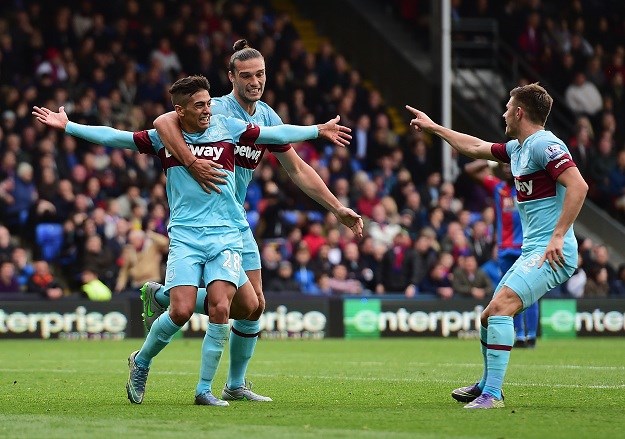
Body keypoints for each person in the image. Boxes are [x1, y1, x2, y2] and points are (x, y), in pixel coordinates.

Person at [33, 75, 357, 406]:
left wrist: (317, 130)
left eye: (208, 104)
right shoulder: (164, 138)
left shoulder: (228, 127)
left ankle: (206, 390)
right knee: (182, 310)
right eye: (200, 105)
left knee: (234, 306)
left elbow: (277, 134)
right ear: (181, 111)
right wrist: (69, 125)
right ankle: (141, 360)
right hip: (186, 236)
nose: (208, 110)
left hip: (227, 232)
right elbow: (116, 137)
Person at [146, 40, 364, 401]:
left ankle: (233, 384)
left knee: (254, 305)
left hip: (236, 220)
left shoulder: (266, 116)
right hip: (206, 220)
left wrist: (336, 208)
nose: (255, 81)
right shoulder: (213, 110)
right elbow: (165, 121)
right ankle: (173, 303)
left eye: (260, 74)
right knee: (237, 303)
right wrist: (189, 159)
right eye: (246, 75)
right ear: (231, 77)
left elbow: (297, 169)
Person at [406, 82, 588, 409]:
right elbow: (474, 147)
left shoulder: (544, 144)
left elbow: (578, 185)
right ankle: (487, 386)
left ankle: (492, 395)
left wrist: (559, 234)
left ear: (519, 112)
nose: (503, 112)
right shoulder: (518, 149)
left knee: (502, 306)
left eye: (507, 106)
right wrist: (434, 127)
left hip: (553, 251)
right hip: (532, 251)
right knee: (489, 317)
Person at [465, 159, 539, 348]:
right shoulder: (498, 187)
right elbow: (469, 169)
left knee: (529, 292)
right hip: (504, 249)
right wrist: (491, 161)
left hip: (525, 247)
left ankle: (531, 335)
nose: (507, 168)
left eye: (510, 165)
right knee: (509, 293)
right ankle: (519, 335)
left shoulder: (527, 186)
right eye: (504, 165)